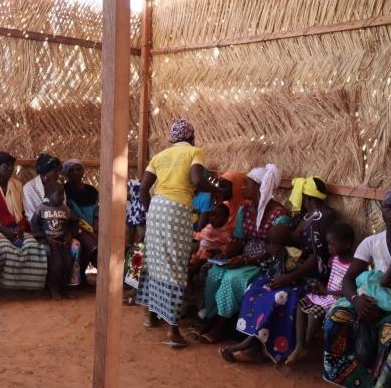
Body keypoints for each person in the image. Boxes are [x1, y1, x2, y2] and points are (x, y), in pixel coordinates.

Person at [219, 176, 335, 362]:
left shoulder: (323, 218)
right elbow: (289, 241)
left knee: (279, 296)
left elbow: (316, 258)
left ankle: (258, 348)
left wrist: (289, 278)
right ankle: (253, 342)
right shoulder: (302, 217)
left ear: (306, 197)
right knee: (256, 288)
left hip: (308, 277)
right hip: (291, 271)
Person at [136, 118, 219, 347]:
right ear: (191, 137)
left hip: (157, 209)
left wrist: (150, 212)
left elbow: (143, 189)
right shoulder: (195, 152)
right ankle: (173, 331)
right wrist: (216, 189)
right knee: (175, 265)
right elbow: (196, 179)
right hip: (178, 210)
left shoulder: (159, 156)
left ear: (172, 139)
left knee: (155, 261)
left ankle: (151, 316)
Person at [324, 186, 391, 388]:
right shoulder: (371, 243)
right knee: (338, 316)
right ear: (382, 210)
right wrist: (356, 301)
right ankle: (352, 381)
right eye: (389, 206)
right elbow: (348, 280)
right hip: (370, 297)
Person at [198, 164, 288, 343]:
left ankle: (222, 325)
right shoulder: (244, 210)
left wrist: (245, 260)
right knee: (215, 272)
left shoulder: (279, 214)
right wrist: (225, 254)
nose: (242, 187)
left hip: (264, 264)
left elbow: (274, 251)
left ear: (259, 188)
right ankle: (212, 317)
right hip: (245, 258)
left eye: (246, 184)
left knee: (232, 279)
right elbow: (239, 239)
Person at [286, 222, 355, 366]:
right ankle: (300, 345)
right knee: (300, 305)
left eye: (332, 244)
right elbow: (329, 277)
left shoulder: (354, 266)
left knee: (313, 313)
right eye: (328, 243)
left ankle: (306, 345)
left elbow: (348, 291)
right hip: (326, 294)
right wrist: (321, 287)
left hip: (338, 299)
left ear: (347, 244)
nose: (329, 247)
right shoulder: (333, 259)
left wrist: (327, 291)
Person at [0, 151, 48, 291]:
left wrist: (20, 228)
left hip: (16, 227)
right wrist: (5, 230)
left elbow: (21, 213)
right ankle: (2, 284)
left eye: (12, 166)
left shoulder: (16, 185)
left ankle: (25, 286)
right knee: (4, 248)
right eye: (6, 166)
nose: (10, 169)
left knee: (34, 246)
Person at [31, 182, 81, 299]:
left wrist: (69, 235)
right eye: (59, 194)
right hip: (50, 243)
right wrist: (45, 238)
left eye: (63, 194)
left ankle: (64, 288)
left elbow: (74, 222)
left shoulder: (65, 209)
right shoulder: (41, 208)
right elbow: (34, 225)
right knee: (56, 264)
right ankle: (52, 288)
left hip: (63, 242)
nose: (62, 197)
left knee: (68, 262)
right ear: (48, 194)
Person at [63, 158, 99, 279]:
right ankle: (80, 277)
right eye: (71, 171)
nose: (75, 173)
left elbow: (97, 211)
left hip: (92, 227)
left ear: (83, 171)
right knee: (93, 246)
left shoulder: (91, 190)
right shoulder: (64, 191)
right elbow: (69, 214)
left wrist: (95, 226)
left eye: (78, 169)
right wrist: (88, 230)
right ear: (66, 174)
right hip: (75, 227)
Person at [23, 153, 62, 221]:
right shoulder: (29, 189)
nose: (58, 175)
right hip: (37, 226)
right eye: (55, 172)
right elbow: (31, 217)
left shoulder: (58, 184)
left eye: (58, 171)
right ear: (45, 173)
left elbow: (62, 209)